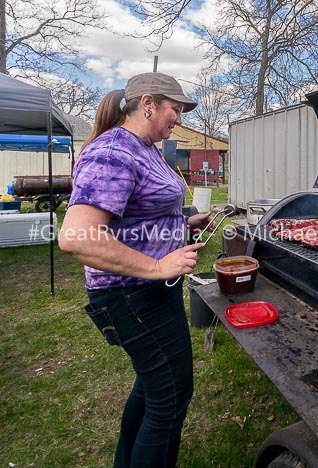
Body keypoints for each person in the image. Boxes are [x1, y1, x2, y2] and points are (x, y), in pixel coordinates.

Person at [59, 72, 211, 467]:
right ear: (148, 104)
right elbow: (78, 237)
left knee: (152, 387)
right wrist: (158, 264)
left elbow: (137, 211)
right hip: (131, 294)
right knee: (171, 397)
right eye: (174, 109)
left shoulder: (145, 148)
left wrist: (181, 223)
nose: (178, 118)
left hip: (150, 293)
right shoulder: (113, 152)